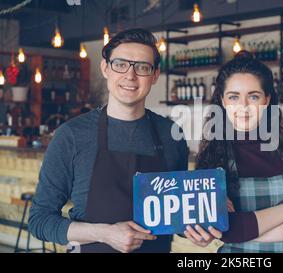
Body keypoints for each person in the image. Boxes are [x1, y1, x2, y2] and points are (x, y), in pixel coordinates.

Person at [29, 29, 191, 253]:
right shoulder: (72, 135)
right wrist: (104, 233)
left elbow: (178, 216)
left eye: (142, 67)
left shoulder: (172, 134)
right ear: (105, 68)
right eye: (120, 64)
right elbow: (40, 221)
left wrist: (200, 224)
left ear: (155, 75)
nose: (130, 76)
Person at [185, 51, 283, 253]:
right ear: (223, 102)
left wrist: (247, 234)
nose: (243, 106)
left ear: (266, 100)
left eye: (253, 96)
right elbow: (221, 227)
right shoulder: (214, 155)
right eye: (234, 97)